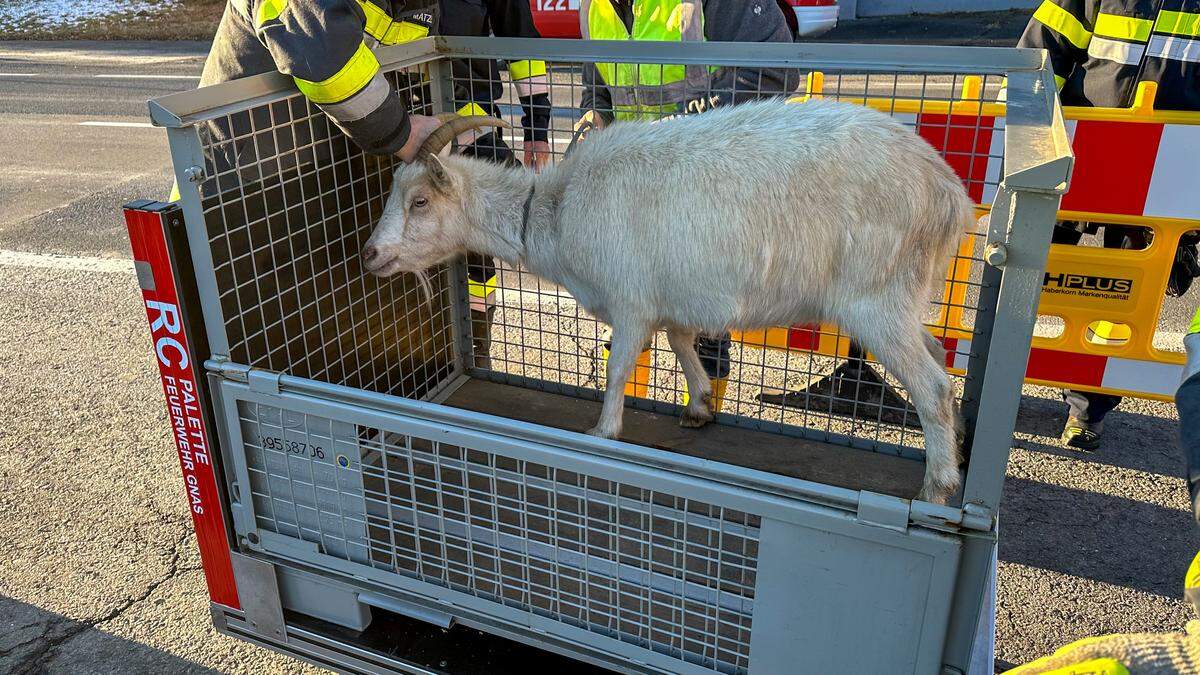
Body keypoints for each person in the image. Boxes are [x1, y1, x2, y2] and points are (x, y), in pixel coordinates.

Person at [576, 0, 797, 409]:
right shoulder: (595, 9)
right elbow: (600, 93)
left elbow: (776, 69)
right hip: (637, 194)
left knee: (708, 317)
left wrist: (684, 128)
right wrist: (593, 124)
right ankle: (631, 416)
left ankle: (704, 421)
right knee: (627, 309)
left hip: (710, 187)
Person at [1018, 0, 1200, 450]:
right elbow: (1042, 51)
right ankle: (989, 389)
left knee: (1123, 298)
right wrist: (1030, 138)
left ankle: (1088, 409)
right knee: (1024, 273)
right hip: (1081, 150)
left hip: (1169, 168)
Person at [440, 0, 554, 368]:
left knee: (476, 261)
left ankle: (476, 357)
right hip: (404, 133)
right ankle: (439, 362)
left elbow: (521, 43)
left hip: (474, 132)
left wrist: (536, 128)